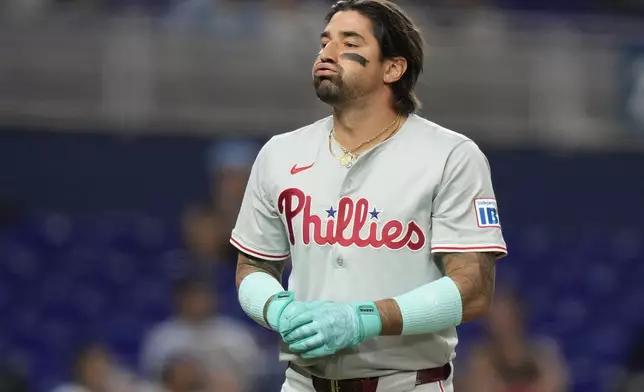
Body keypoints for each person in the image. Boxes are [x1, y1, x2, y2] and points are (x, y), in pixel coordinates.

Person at [230, 1, 508, 391]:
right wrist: (279, 308)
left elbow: (475, 290)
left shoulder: (450, 155)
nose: (327, 52)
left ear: (393, 68)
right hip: (303, 382)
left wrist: (365, 318)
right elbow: (252, 267)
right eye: (325, 42)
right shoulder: (279, 153)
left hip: (407, 383)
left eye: (349, 43)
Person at [139, 277, 261, 392]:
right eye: (191, 298)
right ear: (180, 300)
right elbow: (152, 374)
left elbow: (254, 370)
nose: (197, 303)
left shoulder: (234, 333)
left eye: (201, 297)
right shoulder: (163, 336)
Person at [459, 289, 568, 392]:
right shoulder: (479, 360)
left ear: (518, 314)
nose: (502, 323)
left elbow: (554, 386)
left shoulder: (545, 354)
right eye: (496, 317)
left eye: (507, 314)